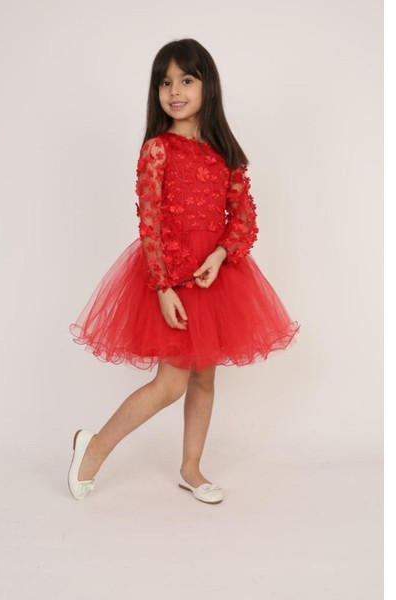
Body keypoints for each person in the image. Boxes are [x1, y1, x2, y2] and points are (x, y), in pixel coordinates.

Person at [67, 38, 300, 504]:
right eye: (165, 82)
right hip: (172, 276)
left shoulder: (224, 152)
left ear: (207, 86)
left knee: (205, 378)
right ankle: (93, 447)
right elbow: (149, 222)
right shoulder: (158, 150)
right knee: (169, 384)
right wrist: (162, 285)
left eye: (186, 80)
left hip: (214, 277)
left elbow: (244, 218)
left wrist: (221, 254)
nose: (174, 91)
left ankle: (191, 468)